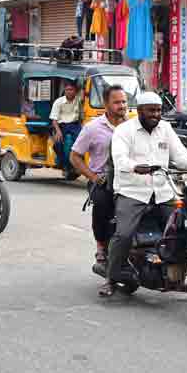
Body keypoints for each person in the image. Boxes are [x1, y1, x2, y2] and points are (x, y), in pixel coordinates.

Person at [100, 91, 187, 298]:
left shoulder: (165, 129)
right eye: (151, 110)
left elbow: (179, 155)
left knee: (185, 227)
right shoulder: (124, 131)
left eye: (158, 110)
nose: (155, 114)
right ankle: (111, 276)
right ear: (139, 111)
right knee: (124, 233)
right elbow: (119, 159)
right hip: (132, 191)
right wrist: (136, 167)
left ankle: (176, 276)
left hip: (163, 192)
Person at [70, 85, 128, 273]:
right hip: (102, 181)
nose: (122, 106)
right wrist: (93, 177)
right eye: (117, 102)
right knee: (102, 204)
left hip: (128, 181)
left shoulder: (132, 127)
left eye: (124, 102)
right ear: (106, 104)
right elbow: (75, 156)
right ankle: (101, 247)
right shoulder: (92, 128)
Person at [50, 80, 83, 174]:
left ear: (75, 91)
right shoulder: (58, 102)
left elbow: (84, 91)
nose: (69, 91)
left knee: (80, 143)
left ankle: (75, 164)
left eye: (71, 89)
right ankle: (63, 163)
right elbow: (54, 119)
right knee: (58, 143)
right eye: (67, 89)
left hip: (74, 125)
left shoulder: (78, 100)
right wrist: (58, 131)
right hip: (61, 126)